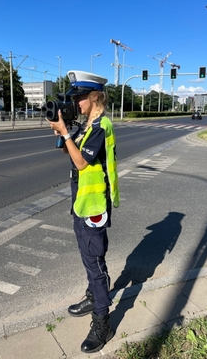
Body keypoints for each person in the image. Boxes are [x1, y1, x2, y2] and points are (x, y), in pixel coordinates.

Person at [47, 70, 120, 354]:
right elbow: (70, 152)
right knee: (89, 258)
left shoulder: (102, 125)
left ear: (93, 96)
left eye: (78, 97)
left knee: (95, 261)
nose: (74, 101)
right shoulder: (87, 124)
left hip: (93, 206)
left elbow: (80, 163)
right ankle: (94, 294)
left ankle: (102, 321)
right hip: (81, 203)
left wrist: (66, 133)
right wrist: (62, 132)